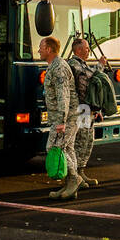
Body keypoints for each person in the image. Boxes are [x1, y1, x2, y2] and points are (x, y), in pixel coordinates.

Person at [39, 36, 82, 199]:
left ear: (49, 49)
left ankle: (74, 180)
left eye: (41, 47)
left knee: (54, 148)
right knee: (68, 148)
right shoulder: (55, 66)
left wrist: (61, 122)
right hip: (68, 116)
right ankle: (70, 187)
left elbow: (63, 96)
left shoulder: (59, 68)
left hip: (66, 117)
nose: (39, 50)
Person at [68, 37, 106, 190]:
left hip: (86, 109)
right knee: (79, 141)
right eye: (86, 48)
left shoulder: (82, 64)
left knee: (87, 141)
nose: (88, 51)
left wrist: (95, 109)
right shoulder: (74, 64)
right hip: (80, 109)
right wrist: (100, 66)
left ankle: (81, 171)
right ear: (78, 50)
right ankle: (75, 175)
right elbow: (88, 79)